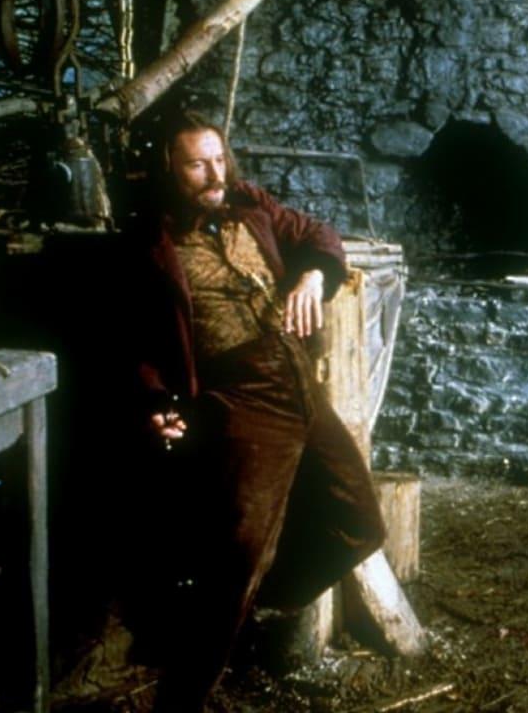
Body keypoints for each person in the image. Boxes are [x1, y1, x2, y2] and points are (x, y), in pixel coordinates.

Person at [124, 110, 385, 712]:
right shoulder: (153, 243)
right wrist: (155, 401)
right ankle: (181, 698)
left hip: (301, 385)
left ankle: (241, 615)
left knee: (360, 525)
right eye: (197, 164)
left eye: (219, 158)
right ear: (169, 169)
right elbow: (131, 337)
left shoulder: (250, 204)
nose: (215, 174)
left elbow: (318, 234)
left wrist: (313, 277)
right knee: (237, 558)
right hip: (243, 400)